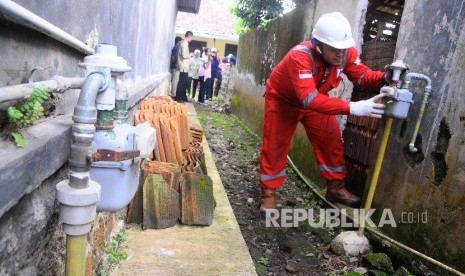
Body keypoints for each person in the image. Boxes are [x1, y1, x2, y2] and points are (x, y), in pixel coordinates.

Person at [259, 12, 397, 211]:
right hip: (284, 101)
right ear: (318, 45)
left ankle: (335, 188)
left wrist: (384, 77)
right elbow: (308, 98)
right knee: (275, 145)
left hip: (318, 100)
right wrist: (353, 108)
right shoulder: (301, 56)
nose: (340, 54)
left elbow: (362, 76)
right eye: (334, 49)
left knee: (331, 139)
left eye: (343, 48)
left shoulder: (345, 52)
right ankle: (268, 194)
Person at [175, 31, 193, 102]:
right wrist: (190, 54)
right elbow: (184, 55)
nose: (191, 39)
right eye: (191, 37)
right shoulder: (184, 43)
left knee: (184, 82)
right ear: (189, 36)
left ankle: (183, 96)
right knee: (182, 82)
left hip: (185, 66)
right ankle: (178, 96)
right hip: (183, 66)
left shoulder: (184, 43)